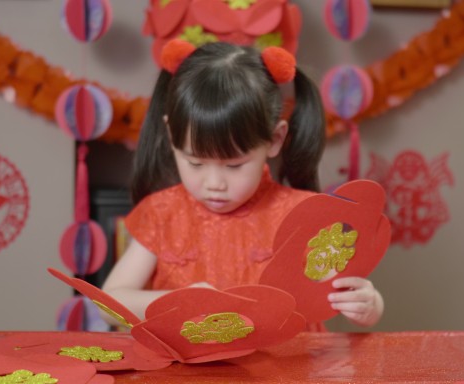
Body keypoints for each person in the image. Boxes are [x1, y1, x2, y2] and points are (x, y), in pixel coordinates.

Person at [101, 40, 384, 329]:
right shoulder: (163, 213)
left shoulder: (300, 214)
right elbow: (108, 304)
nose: (214, 184)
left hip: (284, 370)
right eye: (195, 163)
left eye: (234, 165)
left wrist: (368, 303)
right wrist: (179, 300)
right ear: (172, 135)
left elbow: (337, 289)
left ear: (274, 140)